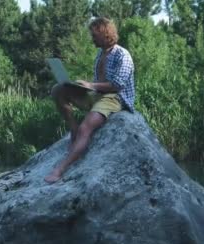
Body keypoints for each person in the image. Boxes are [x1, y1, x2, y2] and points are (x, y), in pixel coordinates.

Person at [44, 17, 135, 184]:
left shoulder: (123, 55)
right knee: (59, 89)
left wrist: (91, 85)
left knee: (86, 128)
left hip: (114, 98)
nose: (91, 38)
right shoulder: (101, 53)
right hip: (96, 95)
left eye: (94, 35)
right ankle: (73, 129)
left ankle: (59, 170)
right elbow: (100, 81)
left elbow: (117, 86)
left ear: (105, 34)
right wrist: (82, 86)